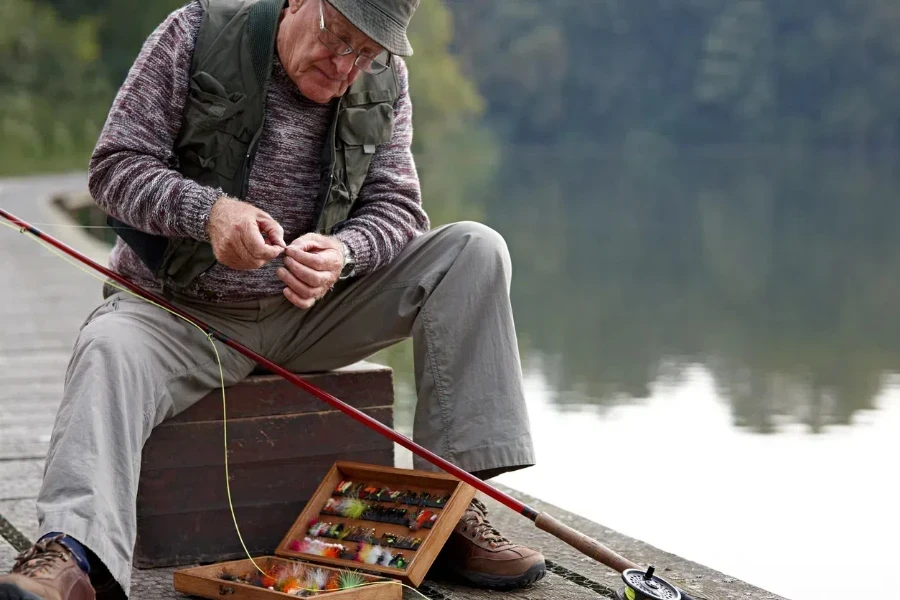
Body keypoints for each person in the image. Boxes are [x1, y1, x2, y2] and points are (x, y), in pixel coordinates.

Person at [0, 0, 545, 598]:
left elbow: (398, 209)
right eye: (337, 38)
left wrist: (344, 255)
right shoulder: (194, 32)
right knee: (105, 345)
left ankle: (446, 512)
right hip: (180, 314)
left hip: (314, 319)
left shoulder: (384, 77)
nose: (345, 67)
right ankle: (72, 553)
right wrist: (209, 214)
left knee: (474, 249)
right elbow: (113, 169)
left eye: (367, 52)